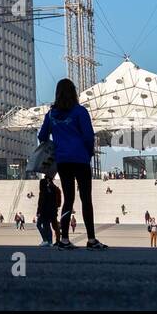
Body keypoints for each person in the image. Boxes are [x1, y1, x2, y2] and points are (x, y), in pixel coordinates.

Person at [37, 77, 107, 250]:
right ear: (74, 92)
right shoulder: (79, 111)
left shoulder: (51, 114)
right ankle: (91, 239)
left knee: (68, 200)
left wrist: (56, 143)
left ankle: (65, 239)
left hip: (63, 161)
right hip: (81, 159)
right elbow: (89, 136)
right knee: (86, 199)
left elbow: (42, 136)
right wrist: (89, 152)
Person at [35, 173, 61, 247]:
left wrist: (38, 211)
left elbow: (41, 202)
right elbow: (58, 202)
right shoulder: (54, 188)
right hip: (53, 210)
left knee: (43, 225)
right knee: (52, 226)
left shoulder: (45, 190)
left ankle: (47, 240)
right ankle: (50, 241)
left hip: (45, 210)